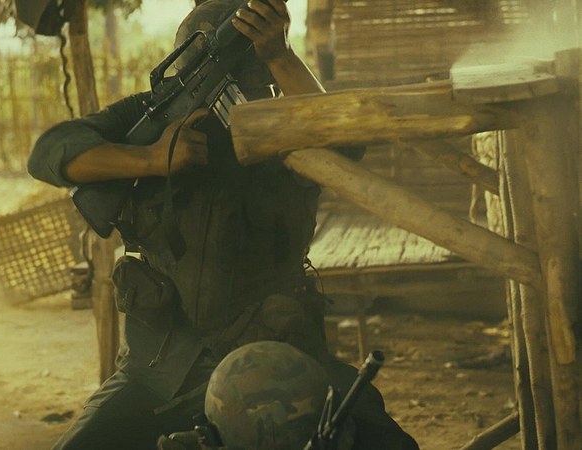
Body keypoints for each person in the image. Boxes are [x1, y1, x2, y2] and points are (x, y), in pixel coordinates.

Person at [28, 1, 418, 449]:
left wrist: (282, 58)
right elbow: (50, 153)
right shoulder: (152, 114)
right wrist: (151, 158)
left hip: (279, 362)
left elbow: (344, 141)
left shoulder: (285, 119)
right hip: (161, 368)